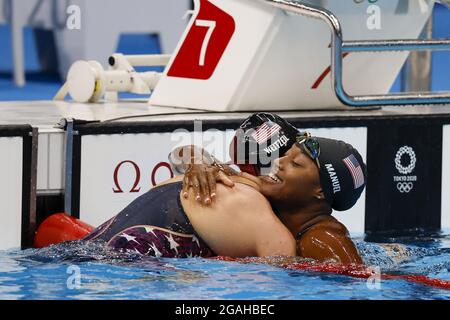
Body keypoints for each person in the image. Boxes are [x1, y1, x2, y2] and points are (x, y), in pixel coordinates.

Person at [175, 113, 366, 264]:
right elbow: (180, 153)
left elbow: (356, 286)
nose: (278, 163)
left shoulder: (323, 240)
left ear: (320, 191)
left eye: (296, 164)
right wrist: (197, 162)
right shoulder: (265, 195)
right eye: (284, 156)